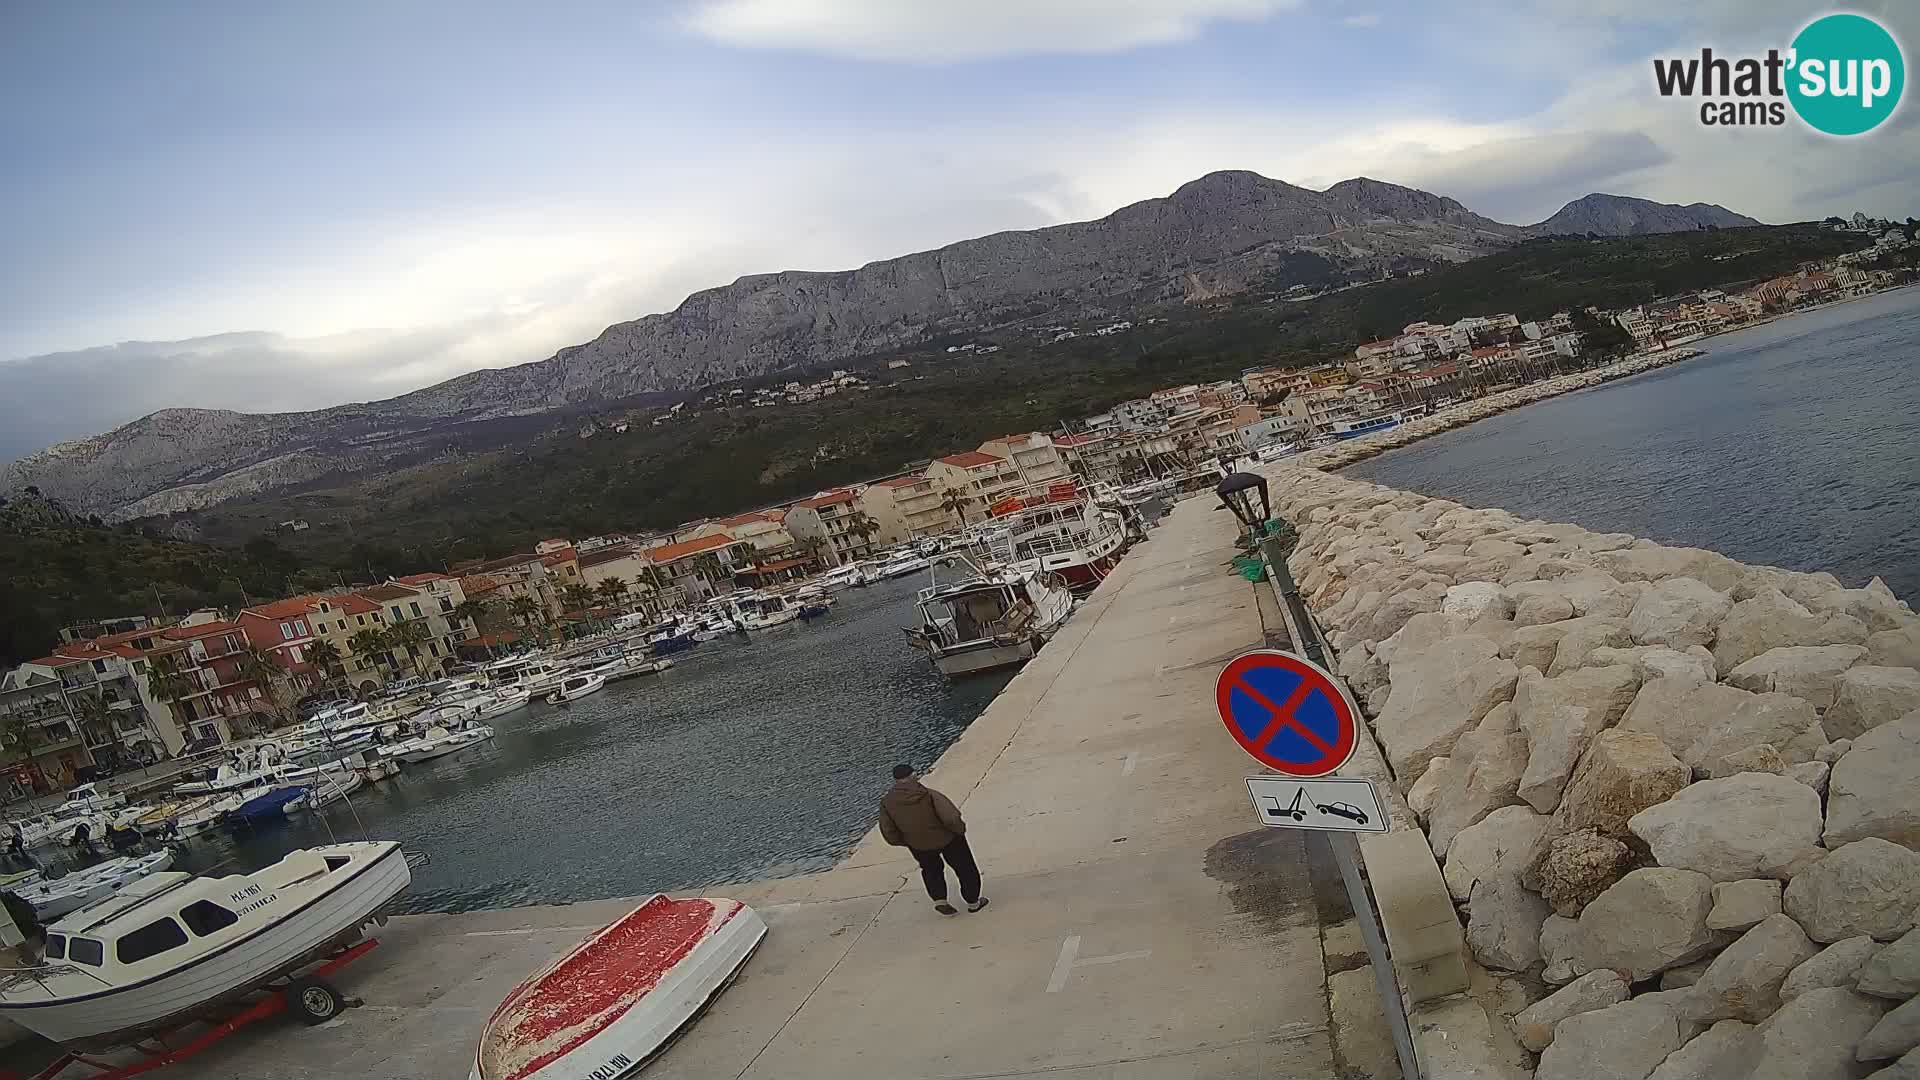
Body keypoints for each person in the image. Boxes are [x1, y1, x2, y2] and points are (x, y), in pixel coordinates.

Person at [878, 765, 987, 916]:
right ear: (914, 775)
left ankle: (940, 901)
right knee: (965, 868)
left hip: (918, 844)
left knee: (930, 870)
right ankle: (973, 902)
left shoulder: (886, 802)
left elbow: (888, 830)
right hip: (948, 839)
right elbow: (951, 817)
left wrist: (906, 841)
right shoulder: (928, 794)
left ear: (896, 780)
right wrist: (959, 831)